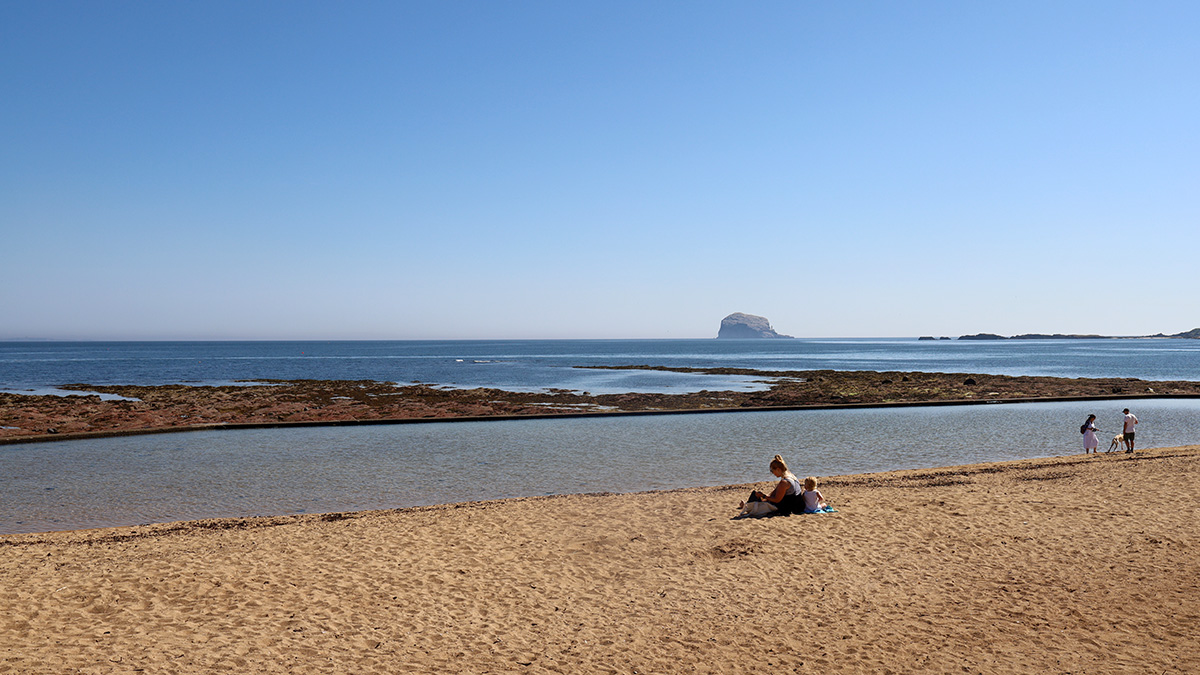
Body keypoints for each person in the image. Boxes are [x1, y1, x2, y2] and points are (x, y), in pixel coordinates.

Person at [738, 454, 803, 517]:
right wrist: (765, 497)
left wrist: (764, 496)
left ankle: (747, 506)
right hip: (796, 504)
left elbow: (776, 500)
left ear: (778, 469)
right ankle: (748, 506)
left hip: (789, 507)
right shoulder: (790, 475)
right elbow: (776, 491)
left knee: (755, 495)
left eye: (772, 471)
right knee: (759, 497)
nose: (772, 473)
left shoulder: (784, 482)